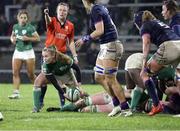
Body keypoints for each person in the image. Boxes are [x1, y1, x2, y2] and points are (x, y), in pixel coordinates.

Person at [75, 0, 129, 117]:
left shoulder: (96, 9)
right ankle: (116, 105)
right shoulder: (98, 7)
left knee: (111, 79)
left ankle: (125, 108)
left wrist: (84, 39)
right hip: (106, 45)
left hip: (111, 45)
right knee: (99, 77)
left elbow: (100, 31)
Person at [134, 10, 180, 116]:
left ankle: (156, 105)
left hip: (169, 46)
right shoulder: (157, 22)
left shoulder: (144, 26)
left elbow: (146, 43)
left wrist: (144, 62)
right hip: (179, 44)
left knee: (144, 74)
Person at [39, 2, 79, 107]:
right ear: (57, 11)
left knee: (61, 81)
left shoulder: (70, 26)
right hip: (49, 55)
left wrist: (74, 55)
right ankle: (40, 101)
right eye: (60, 10)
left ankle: (62, 104)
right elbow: (48, 22)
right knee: (43, 80)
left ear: (67, 12)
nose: (62, 12)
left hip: (61, 56)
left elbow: (70, 41)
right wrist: (46, 14)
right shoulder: (52, 20)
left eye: (64, 10)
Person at [32, 46, 82, 113]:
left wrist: (79, 83)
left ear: (53, 55)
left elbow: (77, 69)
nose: (44, 59)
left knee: (77, 95)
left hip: (67, 74)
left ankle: (88, 100)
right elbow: (54, 82)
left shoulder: (65, 58)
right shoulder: (46, 66)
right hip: (54, 74)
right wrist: (63, 94)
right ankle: (36, 107)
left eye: (46, 56)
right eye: (43, 56)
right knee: (37, 82)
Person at [9, 10, 40, 99]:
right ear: (18, 18)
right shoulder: (15, 26)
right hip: (18, 51)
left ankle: (39, 89)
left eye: (25, 18)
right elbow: (12, 36)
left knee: (30, 74)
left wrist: (28, 38)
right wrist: (12, 39)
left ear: (27, 19)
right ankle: (16, 93)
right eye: (21, 17)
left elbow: (37, 38)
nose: (23, 19)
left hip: (28, 52)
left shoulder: (30, 28)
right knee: (15, 72)